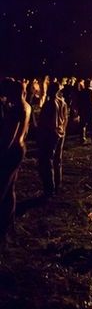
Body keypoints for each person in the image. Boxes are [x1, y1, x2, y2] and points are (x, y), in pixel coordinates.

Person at [0, 78, 31, 241]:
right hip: (21, 147)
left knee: (3, 188)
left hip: (11, 150)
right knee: (11, 188)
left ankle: (3, 227)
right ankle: (9, 222)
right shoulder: (27, 106)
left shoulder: (16, 110)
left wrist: (2, 152)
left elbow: (9, 137)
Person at [36, 81, 68, 197]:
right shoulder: (62, 102)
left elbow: (49, 122)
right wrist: (63, 131)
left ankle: (50, 188)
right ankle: (57, 184)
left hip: (51, 134)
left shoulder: (50, 104)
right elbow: (65, 119)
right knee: (57, 160)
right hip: (60, 133)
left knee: (47, 161)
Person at [77, 79, 92, 143]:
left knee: (83, 124)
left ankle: (82, 138)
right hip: (90, 110)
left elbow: (79, 102)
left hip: (83, 110)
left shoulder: (81, 91)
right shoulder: (90, 91)